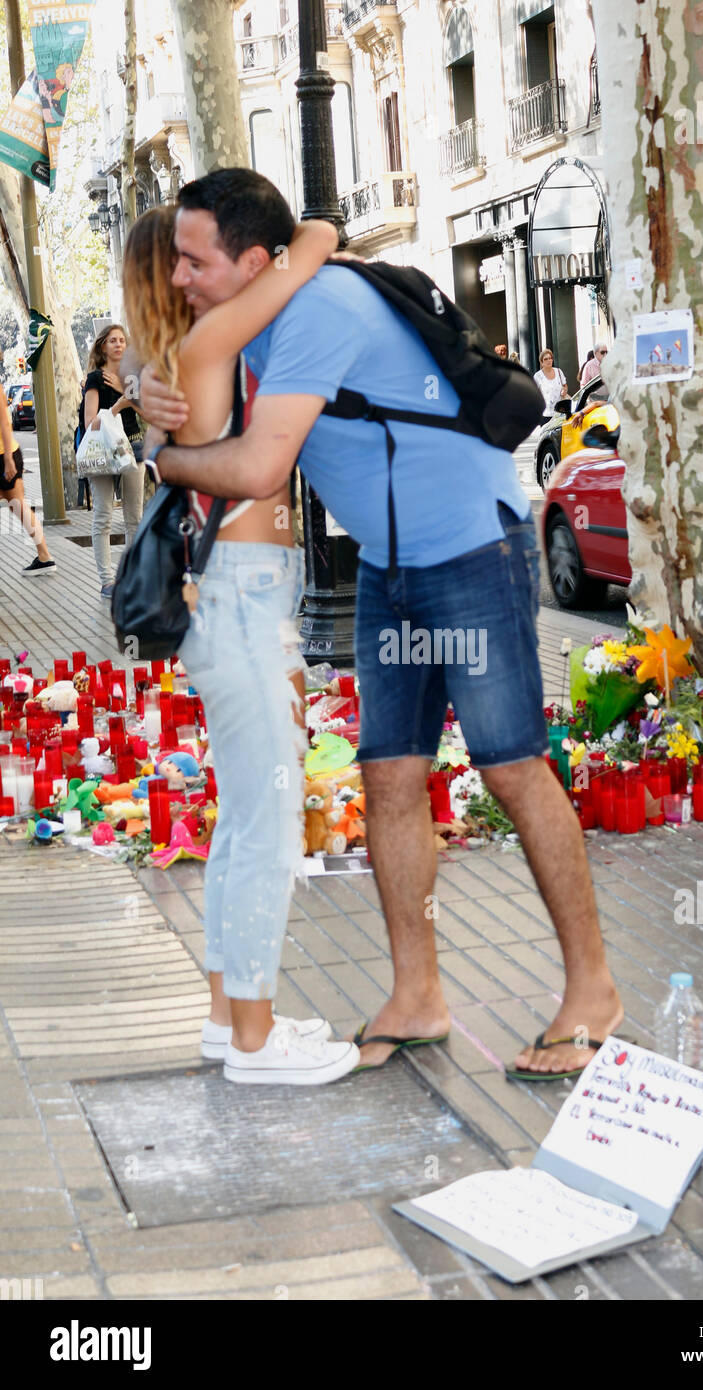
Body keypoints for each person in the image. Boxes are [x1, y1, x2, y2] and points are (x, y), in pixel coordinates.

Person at [140, 168, 623, 1083]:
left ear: (252, 261)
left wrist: (163, 458)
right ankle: (416, 996)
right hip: (393, 570)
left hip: (475, 551)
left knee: (514, 768)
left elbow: (255, 466)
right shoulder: (266, 319)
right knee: (390, 776)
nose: (180, 277)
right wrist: (154, 397)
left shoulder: (318, 313)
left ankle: (592, 992)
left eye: (193, 259)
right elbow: (192, 365)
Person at [122, 192, 358, 1086]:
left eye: (199, 259)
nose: (193, 275)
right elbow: (309, 249)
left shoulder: (178, 364)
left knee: (241, 820)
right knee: (265, 824)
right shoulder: (208, 345)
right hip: (244, 602)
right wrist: (317, 229)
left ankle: (233, 1018)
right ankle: (256, 1042)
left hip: (232, 602)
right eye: (181, 263)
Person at [82, 325, 147, 597]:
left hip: (134, 446)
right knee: (103, 517)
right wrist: (119, 403)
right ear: (103, 346)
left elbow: (151, 415)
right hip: (103, 450)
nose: (119, 344)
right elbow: (90, 423)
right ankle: (108, 580)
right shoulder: (95, 378)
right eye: (113, 340)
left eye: (122, 340)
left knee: (135, 517)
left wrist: (125, 390)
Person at [0, 380, 56, 576]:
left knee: (19, 506)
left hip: (4, 455)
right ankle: (44, 556)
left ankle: (45, 556)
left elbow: (5, 421)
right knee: (19, 506)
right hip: (7, 455)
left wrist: (7, 459)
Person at [533, 348, 569, 418]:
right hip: (545, 414)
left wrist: (564, 390)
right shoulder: (537, 376)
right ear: (541, 362)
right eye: (546, 359)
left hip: (560, 413)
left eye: (550, 358)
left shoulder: (558, 371)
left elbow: (565, 386)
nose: (549, 360)